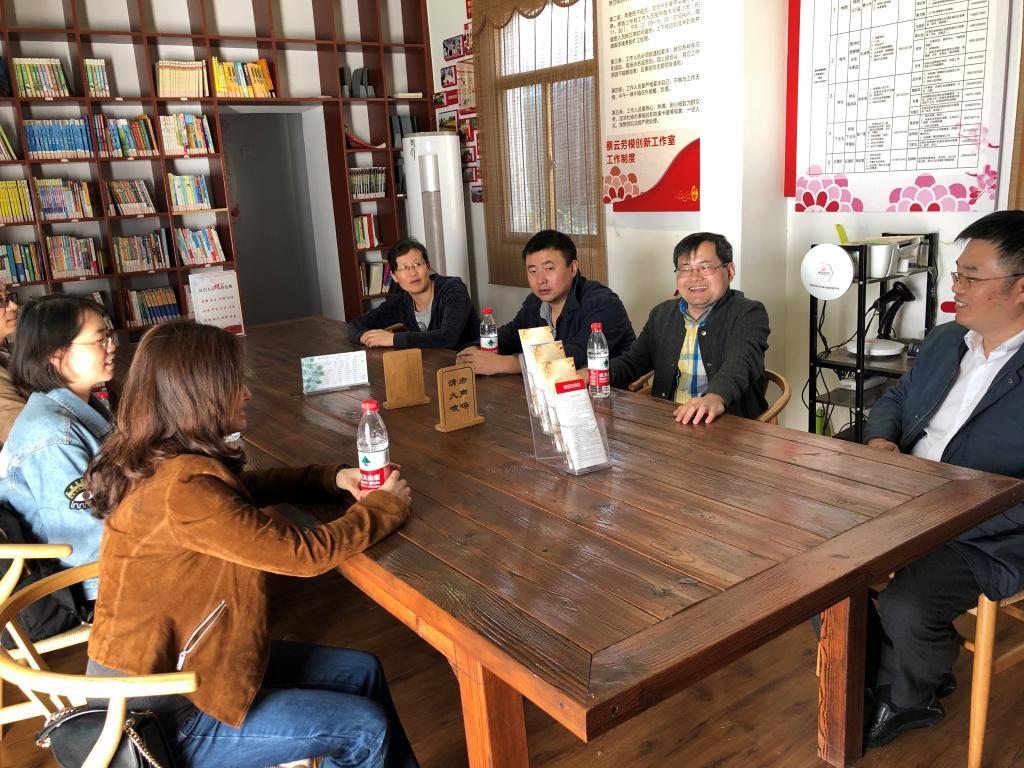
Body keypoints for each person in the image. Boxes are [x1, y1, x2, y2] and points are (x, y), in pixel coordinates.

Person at [85, 321, 418, 768]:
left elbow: (241, 491)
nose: (246, 393)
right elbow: (303, 555)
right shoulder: (182, 490)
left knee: (363, 672)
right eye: (234, 383)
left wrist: (332, 477)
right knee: (363, 729)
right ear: (199, 394)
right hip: (161, 714)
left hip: (189, 669)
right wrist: (385, 507)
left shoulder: (159, 459)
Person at [861, 209, 1024, 750]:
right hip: (905, 497)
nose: (956, 288)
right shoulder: (947, 339)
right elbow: (897, 399)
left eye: (971, 277)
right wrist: (881, 443)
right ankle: (892, 673)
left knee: (908, 603)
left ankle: (909, 696)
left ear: (1021, 288)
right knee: (813, 570)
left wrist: (952, 510)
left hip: (991, 527)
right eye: (957, 274)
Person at [0, 294, 113, 600]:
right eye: (99, 340)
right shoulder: (53, 436)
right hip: (87, 587)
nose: (111, 347)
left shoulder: (76, 405)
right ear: (55, 353)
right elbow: (87, 546)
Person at [608, 233, 770, 424]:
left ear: (730, 271)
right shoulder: (661, 314)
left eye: (705, 267)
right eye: (685, 269)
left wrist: (714, 397)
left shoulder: (748, 313)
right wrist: (595, 372)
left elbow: (740, 364)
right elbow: (632, 363)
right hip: (670, 422)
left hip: (728, 425)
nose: (695, 277)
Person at [456, 229, 634, 373]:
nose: (540, 280)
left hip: (610, 395)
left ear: (573, 268)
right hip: (553, 392)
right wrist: (476, 349)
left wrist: (506, 364)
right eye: (532, 271)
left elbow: (578, 354)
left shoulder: (603, 303)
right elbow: (511, 335)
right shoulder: (535, 301)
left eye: (549, 269)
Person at [348, 238, 478, 350]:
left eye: (417, 264)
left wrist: (392, 339)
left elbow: (448, 338)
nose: (413, 273)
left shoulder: (453, 289)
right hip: (432, 364)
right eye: (404, 268)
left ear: (427, 266)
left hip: (468, 364)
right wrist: (365, 337)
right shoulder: (401, 301)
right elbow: (356, 325)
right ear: (394, 276)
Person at [0, 285, 25, 443]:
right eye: (0, 300)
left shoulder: (7, 351)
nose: (14, 306)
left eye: (8, 297)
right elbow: (25, 437)